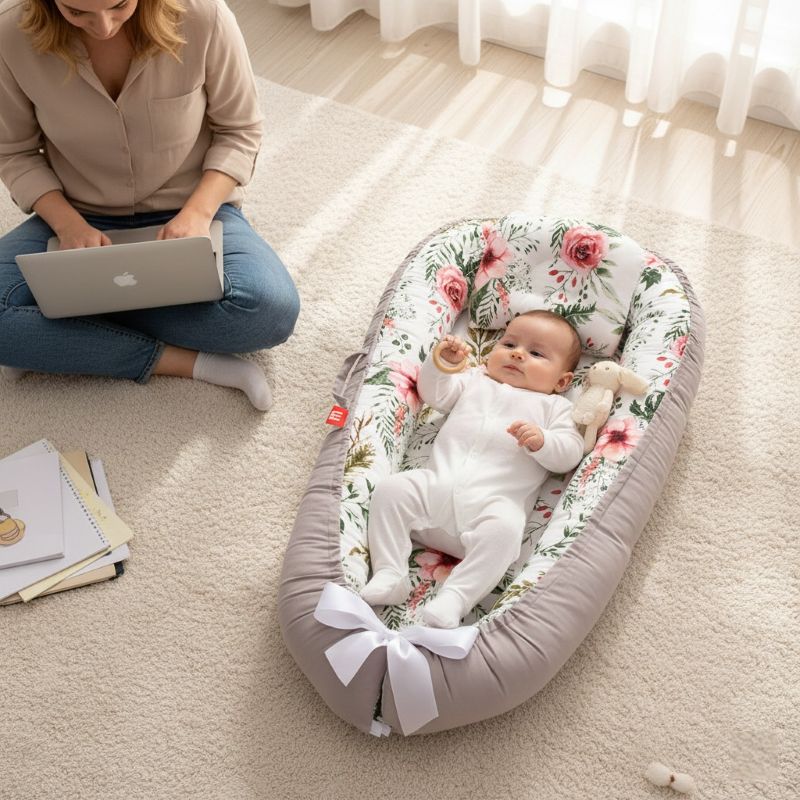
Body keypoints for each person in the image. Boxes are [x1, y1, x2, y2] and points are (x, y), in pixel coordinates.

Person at [0, 0, 299, 410]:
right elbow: (14, 153)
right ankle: (187, 362)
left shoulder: (204, 17)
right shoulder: (11, 35)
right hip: (77, 216)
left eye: (119, 5)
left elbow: (240, 130)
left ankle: (55, 333)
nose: (102, 26)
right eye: (77, 11)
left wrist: (197, 214)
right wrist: (68, 225)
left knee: (270, 312)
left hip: (189, 208)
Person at [361, 310, 585, 628]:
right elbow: (435, 395)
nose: (517, 354)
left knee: (506, 531)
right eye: (509, 343)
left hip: (490, 508)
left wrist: (543, 441)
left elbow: (571, 453)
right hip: (436, 488)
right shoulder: (475, 381)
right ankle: (390, 572)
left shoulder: (554, 408)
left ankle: (455, 598)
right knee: (392, 490)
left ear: (561, 381)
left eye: (536, 353)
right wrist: (441, 365)